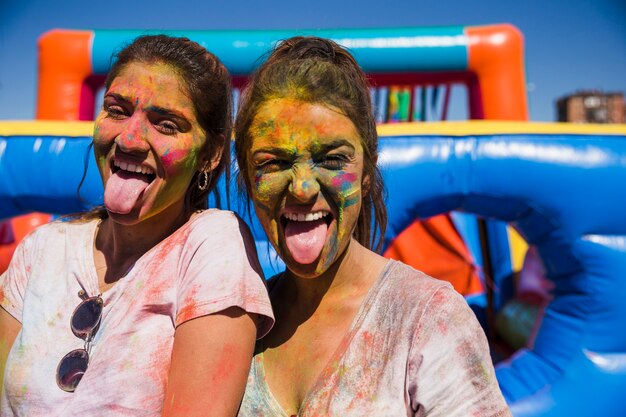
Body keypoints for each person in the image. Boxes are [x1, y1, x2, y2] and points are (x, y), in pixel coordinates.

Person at [234, 36, 510, 416]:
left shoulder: (427, 318)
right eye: (274, 162)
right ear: (248, 179)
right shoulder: (239, 326)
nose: (301, 188)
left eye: (331, 159)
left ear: (366, 171)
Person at [0, 35, 273, 417]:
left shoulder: (210, 245)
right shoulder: (42, 250)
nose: (129, 139)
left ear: (210, 155)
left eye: (165, 124)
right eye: (117, 110)